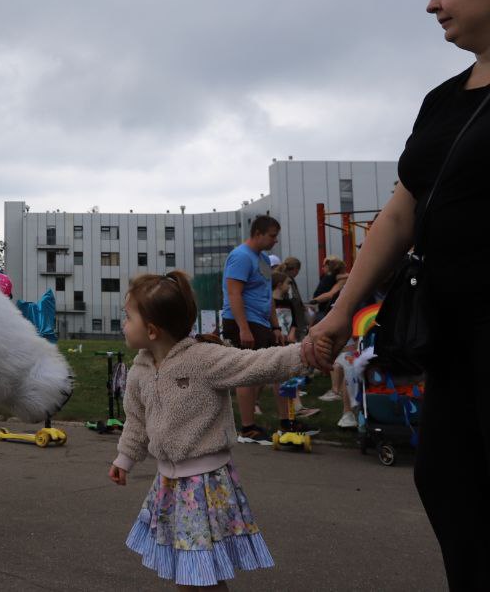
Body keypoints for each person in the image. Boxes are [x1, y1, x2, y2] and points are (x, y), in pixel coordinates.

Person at [306, 0, 490, 590]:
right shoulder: (443, 101)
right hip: (448, 334)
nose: (431, 4)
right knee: (445, 478)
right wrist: (339, 313)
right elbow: (397, 216)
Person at [109, 271, 313, 588]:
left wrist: (304, 353)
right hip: (169, 484)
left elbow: (255, 363)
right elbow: (136, 421)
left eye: (127, 316)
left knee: (200, 574)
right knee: (186, 569)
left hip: (205, 485)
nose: (123, 323)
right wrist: (124, 459)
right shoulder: (140, 370)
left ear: (151, 330)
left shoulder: (202, 359)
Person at [219, 215, 288, 443]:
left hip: (262, 322)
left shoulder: (264, 260)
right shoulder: (240, 256)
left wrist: (275, 325)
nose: (275, 241)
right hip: (243, 321)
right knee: (248, 374)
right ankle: (247, 429)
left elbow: (267, 295)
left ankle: (286, 421)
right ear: (257, 233)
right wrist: (243, 329)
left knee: (272, 369)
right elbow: (234, 293)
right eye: (272, 236)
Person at [308, 256, 348, 323]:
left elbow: (331, 294)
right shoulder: (331, 277)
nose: (322, 268)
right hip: (324, 308)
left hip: (327, 310)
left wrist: (315, 300)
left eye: (324, 266)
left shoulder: (338, 278)